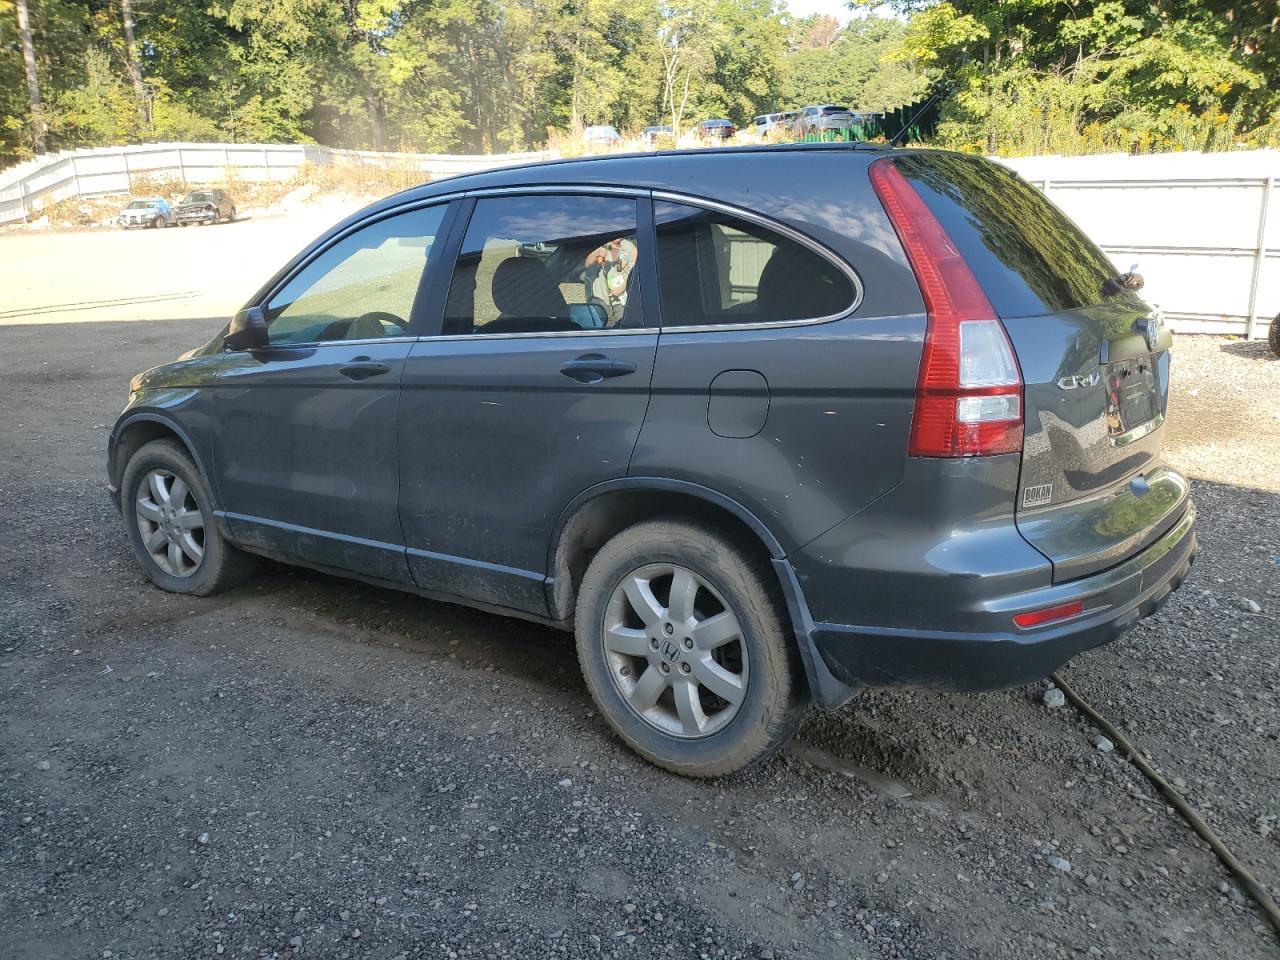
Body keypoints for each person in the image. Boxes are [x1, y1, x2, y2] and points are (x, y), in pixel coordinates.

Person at [583, 235, 637, 323]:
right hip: (600, 296)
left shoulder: (630, 248)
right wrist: (597, 254)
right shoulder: (601, 245)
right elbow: (587, 264)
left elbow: (635, 271)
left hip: (621, 297)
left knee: (623, 325)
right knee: (601, 326)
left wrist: (623, 287)